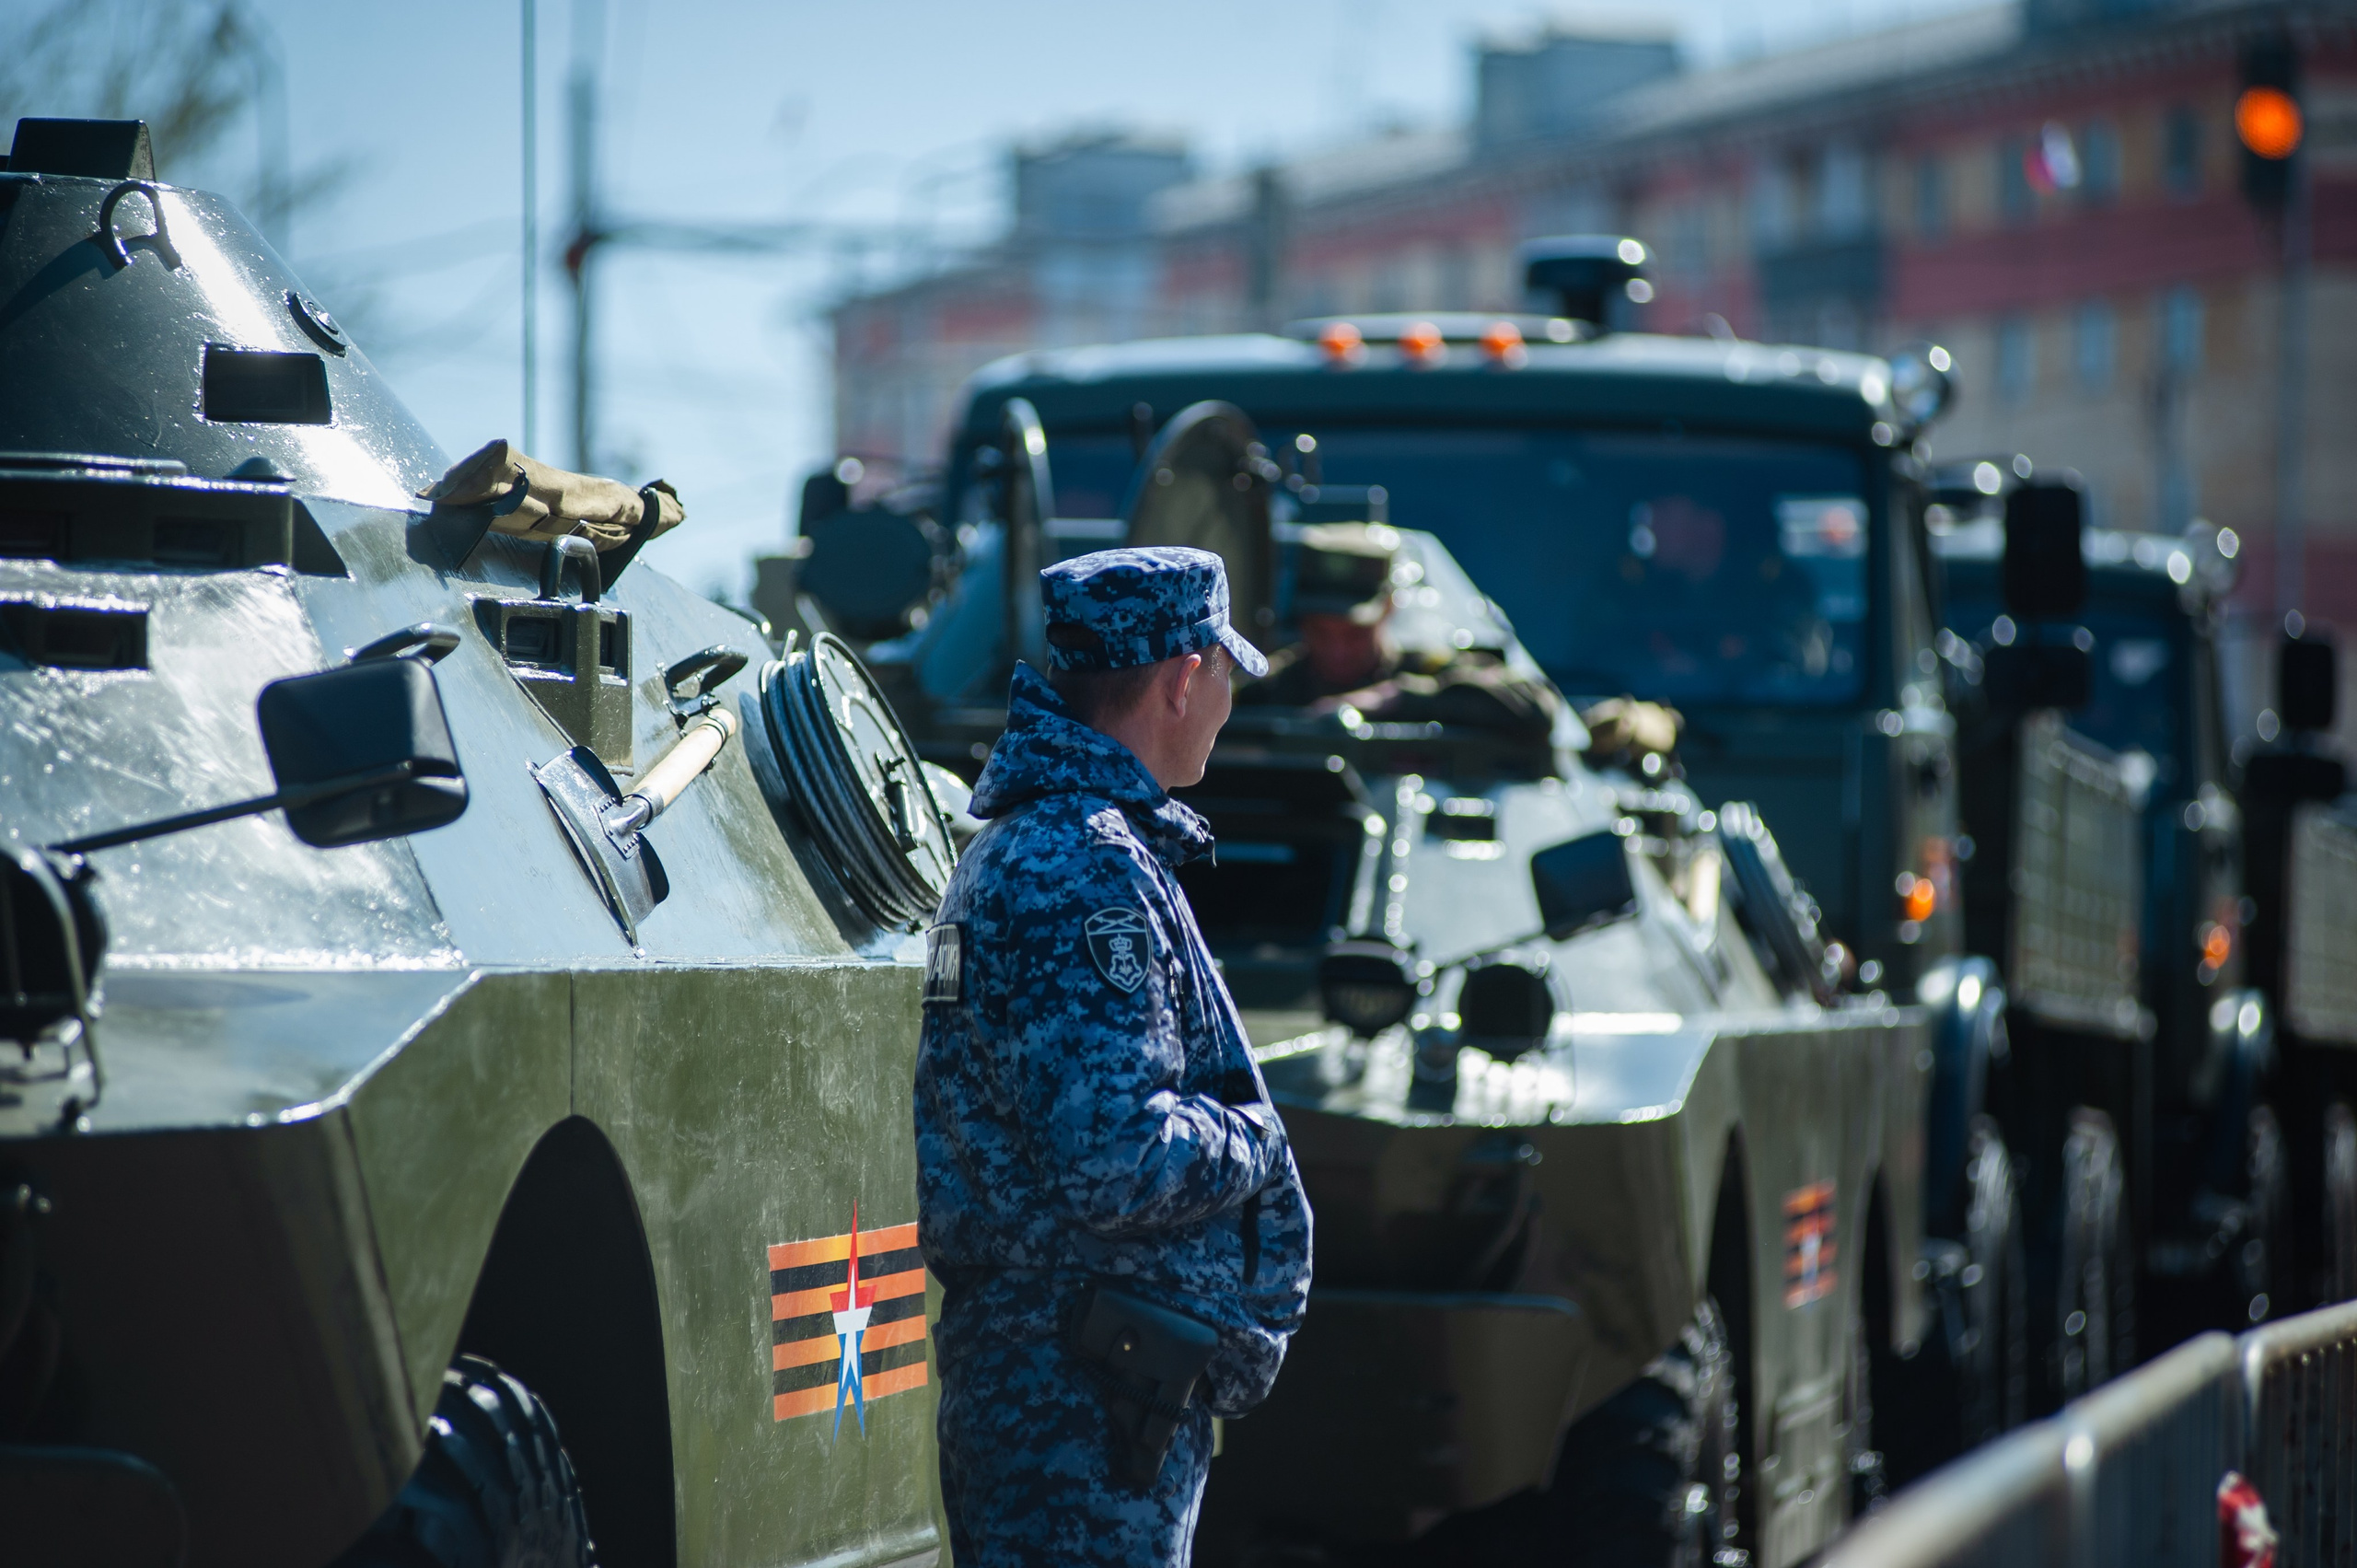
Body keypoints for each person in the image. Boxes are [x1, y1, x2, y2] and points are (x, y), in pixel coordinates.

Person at [914, 546, 1313, 1567]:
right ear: (1184, 676)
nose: (1225, 703)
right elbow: (1114, 1153)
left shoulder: (1060, 845)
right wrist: (1255, 1140)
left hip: (1078, 1390)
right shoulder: (1081, 866)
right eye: (1221, 673)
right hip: (1073, 1410)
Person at [1244, 521, 1558, 739]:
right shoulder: (1270, 685)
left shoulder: (1429, 670)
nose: (1337, 651)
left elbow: (1537, 707)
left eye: (1355, 634)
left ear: (1388, 609)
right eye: (1321, 633)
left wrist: (1396, 698)